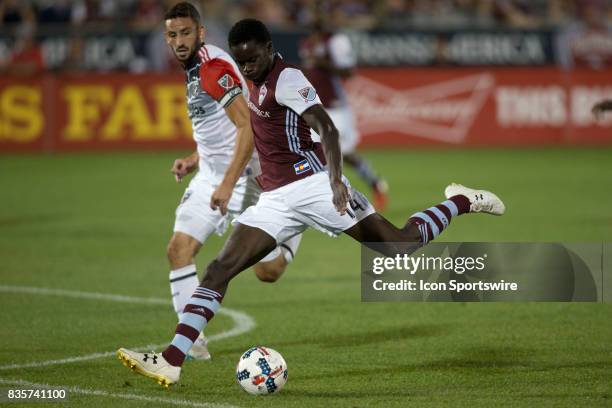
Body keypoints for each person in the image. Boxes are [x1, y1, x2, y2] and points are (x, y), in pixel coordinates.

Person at [117, 18, 506, 387]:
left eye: (254, 59)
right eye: (243, 61)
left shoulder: (287, 79)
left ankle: (460, 201)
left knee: (397, 246)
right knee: (220, 269)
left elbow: (327, 127)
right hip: (276, 200)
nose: (248, 68)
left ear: (270, 49)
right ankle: (172, 360)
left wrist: (336, 181)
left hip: (315, 186)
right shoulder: (250, 80)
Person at [160, 3, 302, 361]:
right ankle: (192, 342)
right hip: (212, 174)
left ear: (201, 33)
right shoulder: (193, 67)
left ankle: (294, 225)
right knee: (178, 250)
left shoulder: (213, 68)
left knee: (267, 272)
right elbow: (216, 129)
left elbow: (246, 129)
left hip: (247, 176)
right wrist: (196, 159)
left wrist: (226, 183)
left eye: (186, 33)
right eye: (173, 35)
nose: (179, 41)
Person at [299, 13, 389, 210]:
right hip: (315, 107)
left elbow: (348, 72)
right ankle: (324, 199)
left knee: (344, 153)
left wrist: (324, 64)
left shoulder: (335, 41)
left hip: (336, 107)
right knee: (314, 153)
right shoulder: (306, 43)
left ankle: (375, 183)